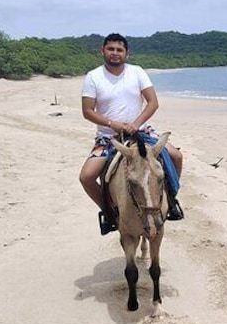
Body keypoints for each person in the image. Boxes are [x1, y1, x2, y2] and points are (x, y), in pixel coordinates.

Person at [78, 33, 183, 234]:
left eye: (119, 50)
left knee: (176, 156)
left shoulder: (137, 72)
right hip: (109, 137)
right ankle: (109, 212)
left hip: (141, 131)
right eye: (111, 49)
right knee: (86, 177)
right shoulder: (93, 76)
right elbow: (88, 111)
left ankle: (170, 200)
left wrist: (136, 123)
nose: (115, 53)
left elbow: (153, 102)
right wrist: (113, 124)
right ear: (103, 51)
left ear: (127, 53)